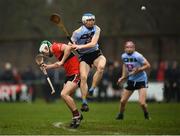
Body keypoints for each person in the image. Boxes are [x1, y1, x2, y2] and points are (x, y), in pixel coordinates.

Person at [39, 40, 83, 128]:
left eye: (44, 52)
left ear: (47, 47)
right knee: (65, 97)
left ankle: (77, 117)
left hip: (75, 73)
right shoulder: (56, 52)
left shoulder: (55, 47)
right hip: (69, 74)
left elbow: (68, 48)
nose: (45, 55)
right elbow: (59, 64)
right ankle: (77, 116)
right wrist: (48, 67)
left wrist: (62, 61)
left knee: (64, 94)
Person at [71, 13, 106, 111]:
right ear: (84, 21)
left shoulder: (97, 28)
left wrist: (79, 46)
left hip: (96, 53)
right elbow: (70, 44)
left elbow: (93, 43)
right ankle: (84, 102)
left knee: (101, 67)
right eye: (89, 20)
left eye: (93, 20)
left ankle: (92, 89)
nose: (92, 22)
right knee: (83, 77)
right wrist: (72, 44)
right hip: (84, 57)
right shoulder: (77, 32)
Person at [116, 41, 151, 120]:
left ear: (134, 48)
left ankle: (146, 114)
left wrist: (139, 69)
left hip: (141, 80)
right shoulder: (123, 56)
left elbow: (148, 65)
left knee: (142, 103)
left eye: (131, 47)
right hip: (131, 80)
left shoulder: (138, 56)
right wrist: (122, 77)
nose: (129, 49)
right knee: (122, 101)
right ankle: (120, 115)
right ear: (125, 48)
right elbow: (125, 65)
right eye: (127, 47)